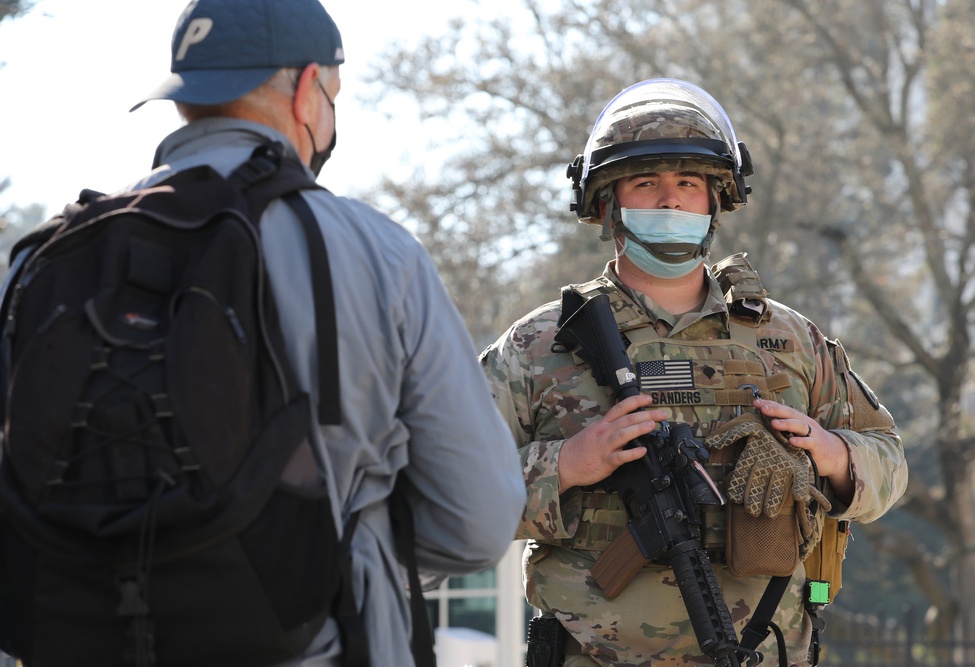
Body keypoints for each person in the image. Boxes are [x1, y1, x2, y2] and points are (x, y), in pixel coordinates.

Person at [117, 0, 526, 664]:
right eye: (333, 94)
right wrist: (357, 548)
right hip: (326, 639)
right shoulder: (379, 255)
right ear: (309, 91)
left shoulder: (52, 257)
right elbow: (478, 521)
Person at [480, 78, 907, 666]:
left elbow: (890, 459)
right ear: (608, 202)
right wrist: (567, 466)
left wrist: (831, 454)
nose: (671, 201)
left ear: (716, 201)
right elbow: (453, 491)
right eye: (646, 183)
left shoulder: (790, 341)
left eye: (688, 184)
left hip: (762, 648)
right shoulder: (539, 345)